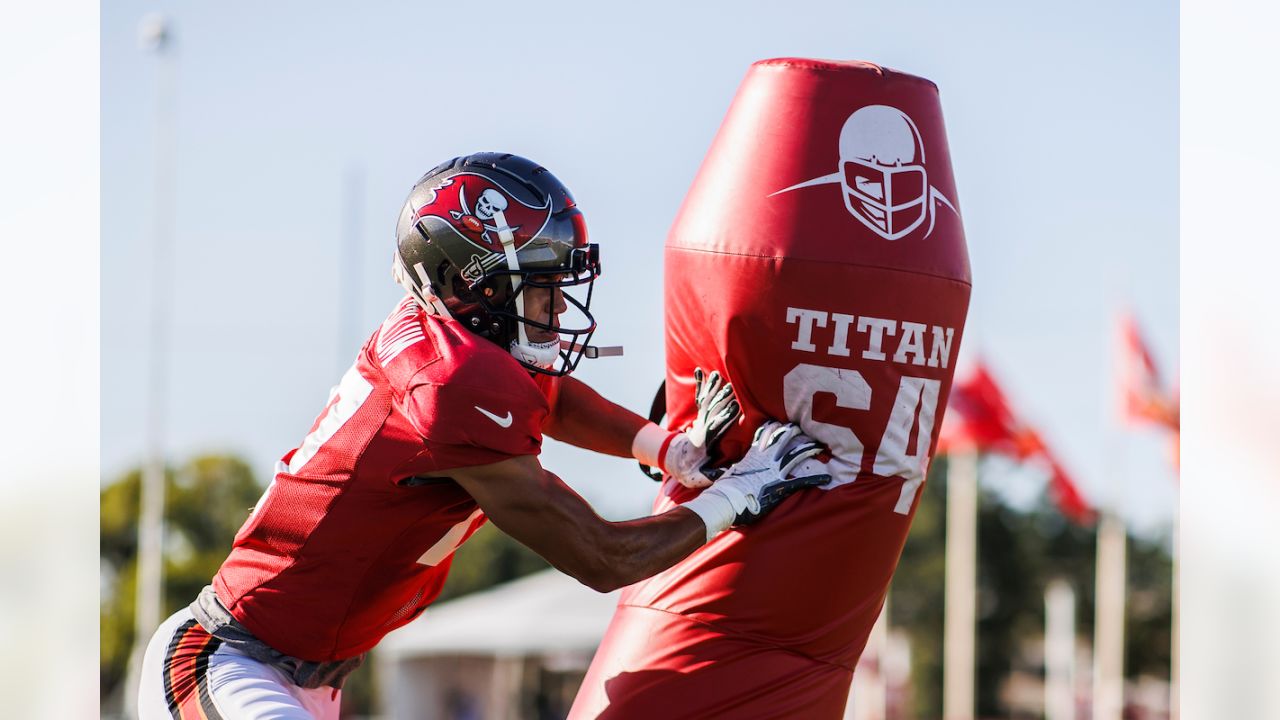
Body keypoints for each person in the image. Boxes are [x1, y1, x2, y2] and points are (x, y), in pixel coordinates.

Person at [136, 152, 830, 719]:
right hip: (229, 661)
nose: (559, 311)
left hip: (310, 677)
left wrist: (666, 448)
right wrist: (737, 496)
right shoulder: (452, 384)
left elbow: (550, 399)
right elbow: (601, 557)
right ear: (475, 286)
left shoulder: (457, 346)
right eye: (541, 290)